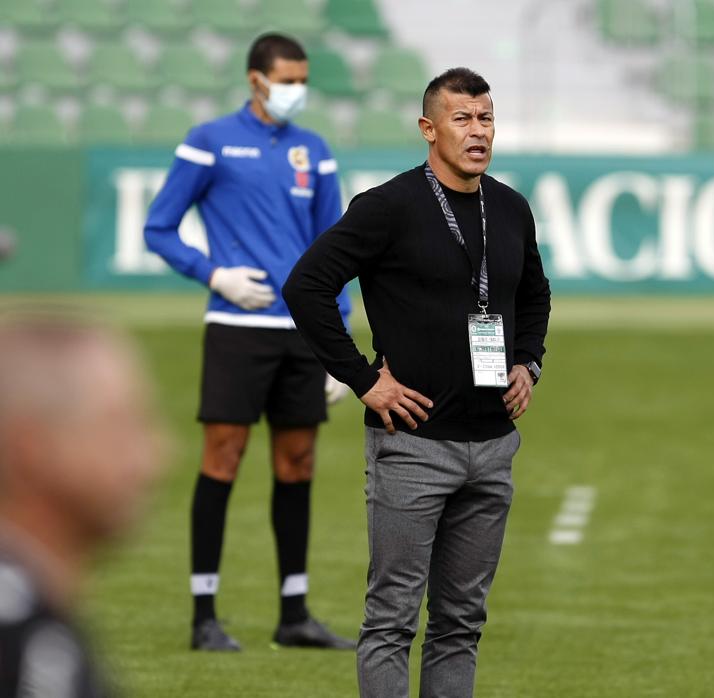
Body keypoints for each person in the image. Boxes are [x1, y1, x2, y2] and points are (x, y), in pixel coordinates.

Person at [283, 67, 552, 697]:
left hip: (492, 447)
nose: (478, 131)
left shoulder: (511, 207)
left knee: (461, 623)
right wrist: (362, 379)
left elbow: (534, 293)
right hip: (412, 446)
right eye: (463, 119)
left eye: (486, 118)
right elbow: (307, 286)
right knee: (392, 620)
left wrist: (528, 360)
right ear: (429, 129)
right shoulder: (388, 207)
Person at [143, 32, 354, 652]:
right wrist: (214, 275)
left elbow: (334, 251)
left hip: (302, 334)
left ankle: (294, 615)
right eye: (288, 78)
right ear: (255, 79)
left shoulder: (315, 152)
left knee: (298, 465)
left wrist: (338, 345)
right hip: (237, 329)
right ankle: (203, 615)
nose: (298, 90)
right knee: (223, 459)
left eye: (303, 78)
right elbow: (158, 227)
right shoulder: (209, 141)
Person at [0, 317, 165, 697]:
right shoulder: (21, 642)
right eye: (118, 429)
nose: (153, 457)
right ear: (32, 450)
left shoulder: (37, 621)